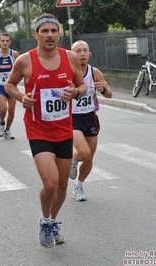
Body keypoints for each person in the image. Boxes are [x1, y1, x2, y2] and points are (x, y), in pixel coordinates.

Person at [4, 13, 87, 248]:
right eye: (45, 31)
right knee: (50, 183)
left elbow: (82, 85)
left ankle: (53, 221)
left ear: (58, 34)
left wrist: (75, 93)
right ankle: (44, 219)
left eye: (53, 31)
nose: (49, 35)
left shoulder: (70, 58)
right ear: (36, 35)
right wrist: (22, 97)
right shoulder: (25, 61)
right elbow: (9, 84)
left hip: (63, 129)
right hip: (38, 129)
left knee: (62, 185)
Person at [69, 40, 113, 201]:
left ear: (89, 54)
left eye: (84, 51)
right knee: (84, 152)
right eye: (78, 51)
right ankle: (73, 159)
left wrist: (103, 90)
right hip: (72, 118)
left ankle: (78, 186)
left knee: (89, 157)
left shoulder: (95, 73)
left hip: (90, 116)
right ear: (72, 54)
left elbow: (110, 94)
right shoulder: (67, 72)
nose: (81, 54)